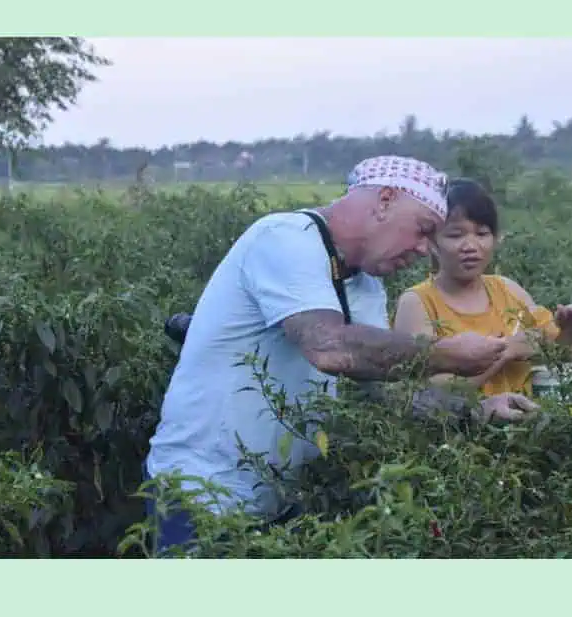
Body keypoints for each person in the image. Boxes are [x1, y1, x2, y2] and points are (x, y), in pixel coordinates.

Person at [142, 156, 532, 555]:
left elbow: (381, 391)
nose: (422, 249)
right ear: (384, 200)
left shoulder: (365, 287)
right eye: (422, 230)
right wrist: (444, 354)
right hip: (201, 492)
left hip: (282, 501)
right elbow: (329, 347)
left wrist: (475, 411)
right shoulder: (285, 238)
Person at [392, 179, 572, 403]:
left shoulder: (508, 290)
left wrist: (569, 331)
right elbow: (427, 391)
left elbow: (562, 354)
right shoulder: (417, 303)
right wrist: (506, 352)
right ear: (431, 243)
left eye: (482, 234)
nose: (470, 246)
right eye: (455, 235)